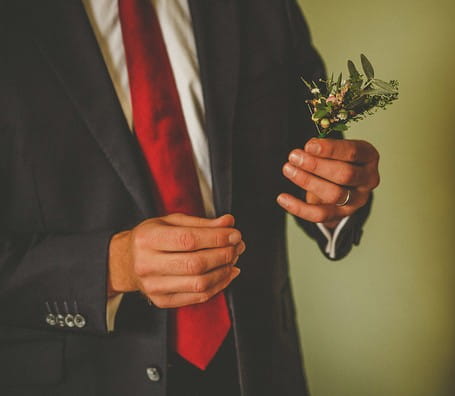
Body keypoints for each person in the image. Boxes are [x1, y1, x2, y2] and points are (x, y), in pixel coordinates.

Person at [0, 0, 380, 395]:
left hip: (257, 366)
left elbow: (309, 153)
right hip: (77, 375)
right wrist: (113, 266)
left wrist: (339, 194)